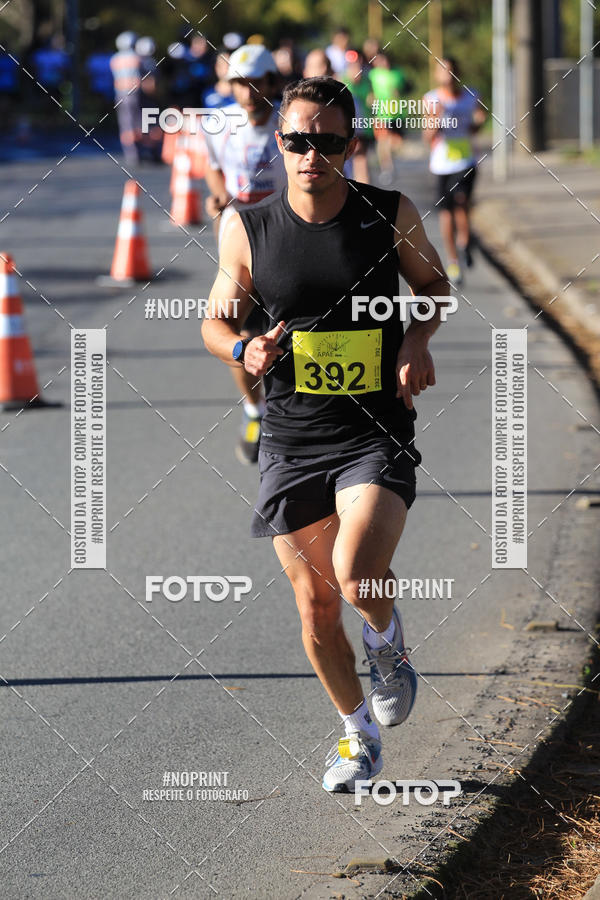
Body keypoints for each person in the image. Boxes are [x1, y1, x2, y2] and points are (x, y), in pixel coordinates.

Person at [201, 77, 449, 792]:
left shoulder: (388, 213)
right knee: (314, 607)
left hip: (375, 429)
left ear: (351, 144)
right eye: (299, 140)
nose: (313, 154)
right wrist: (241, 351)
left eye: (330, 142)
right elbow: (216, 320)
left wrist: (416, 342)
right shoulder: (246, 226)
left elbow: (433, 288)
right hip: (292, 437)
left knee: (356, 574)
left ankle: (388, 644)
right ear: (278, 143)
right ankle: (357, 737)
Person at [203, 44, 287, 465]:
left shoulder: (291, 123)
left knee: (290, 336)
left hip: (289, 243)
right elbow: (212, 166)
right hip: (240, 248)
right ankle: (254, 409)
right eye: (239, 83)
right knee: (239, 336)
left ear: (273, 82)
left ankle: (293, 420)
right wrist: (218, 194)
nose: (249, 92)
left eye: (256, 82)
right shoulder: (220, 124)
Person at [423, 57, 485, 285]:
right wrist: (436, 119)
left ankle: (465, 241)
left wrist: (479, 121)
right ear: (437, 75)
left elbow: (476, 124)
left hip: (466, 161)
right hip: (441, 165)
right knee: (446, 212)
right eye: (443, 71)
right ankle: (453, 260)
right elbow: (427, 137)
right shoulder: (431, 99)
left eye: (451, 71)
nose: (448, 75)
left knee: (462, 202)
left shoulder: (471, 95)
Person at [368, 52, 406, 184]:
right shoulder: (372, 75)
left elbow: (403, 89)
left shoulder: (397, 74)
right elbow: (369, 91)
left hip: (396, 114)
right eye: (380, 61)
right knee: (382, 142)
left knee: (395, 143)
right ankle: (387, 168)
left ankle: (389, 164)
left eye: (385, 60)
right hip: (380, 114)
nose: (384, 64)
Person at [110, 31, 142, 165]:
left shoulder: (115, 59)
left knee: (125, 124)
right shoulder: (136, 58)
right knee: (138, 122)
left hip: (120, 94)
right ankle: (140, 150)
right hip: (134, 93)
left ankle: (130, 153)